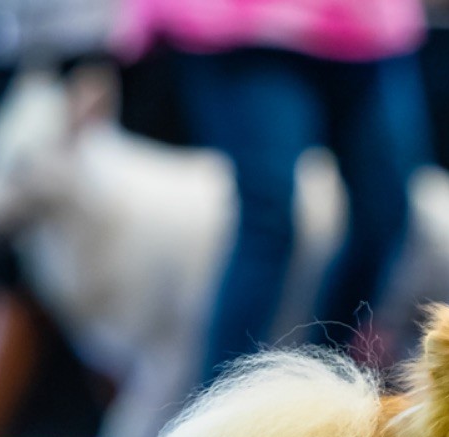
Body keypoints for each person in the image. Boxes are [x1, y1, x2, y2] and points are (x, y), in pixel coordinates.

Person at [116, 0, 430, 383]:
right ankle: (222, 413)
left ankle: (321, 391)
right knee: (269, 217)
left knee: (385, 214)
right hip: (244, 27)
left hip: (368, 29)